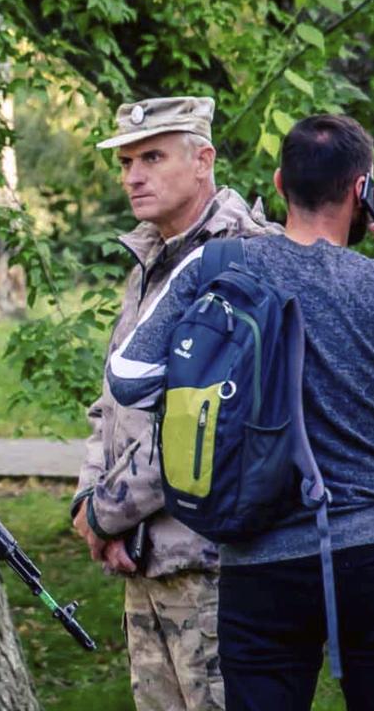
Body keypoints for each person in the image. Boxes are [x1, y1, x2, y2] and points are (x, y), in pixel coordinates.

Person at [107, 114, 374, 711]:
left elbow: (128, 377)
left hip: (259, 557)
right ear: (361, 189)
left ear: (278, 180)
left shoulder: (218, 266)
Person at [73, 97, 276, 711]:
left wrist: (106, 512)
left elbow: (207, 423)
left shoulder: (241, 257)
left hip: (214, 561)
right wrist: (90, 498)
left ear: (203, 160)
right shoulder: (153, 257)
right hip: (148, 556)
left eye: (153, 157)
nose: (134, 175)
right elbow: (111, 403)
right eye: (128, 160)